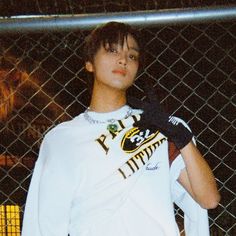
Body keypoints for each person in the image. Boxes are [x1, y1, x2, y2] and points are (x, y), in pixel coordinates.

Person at [22, 21, 220, 236]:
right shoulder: (61, 139)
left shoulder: (158, 128)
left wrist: (182, 138)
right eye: (112, 50)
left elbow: (209, 199)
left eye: (132, 56)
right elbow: (44, 223)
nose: (123, 60)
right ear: (89, 63)